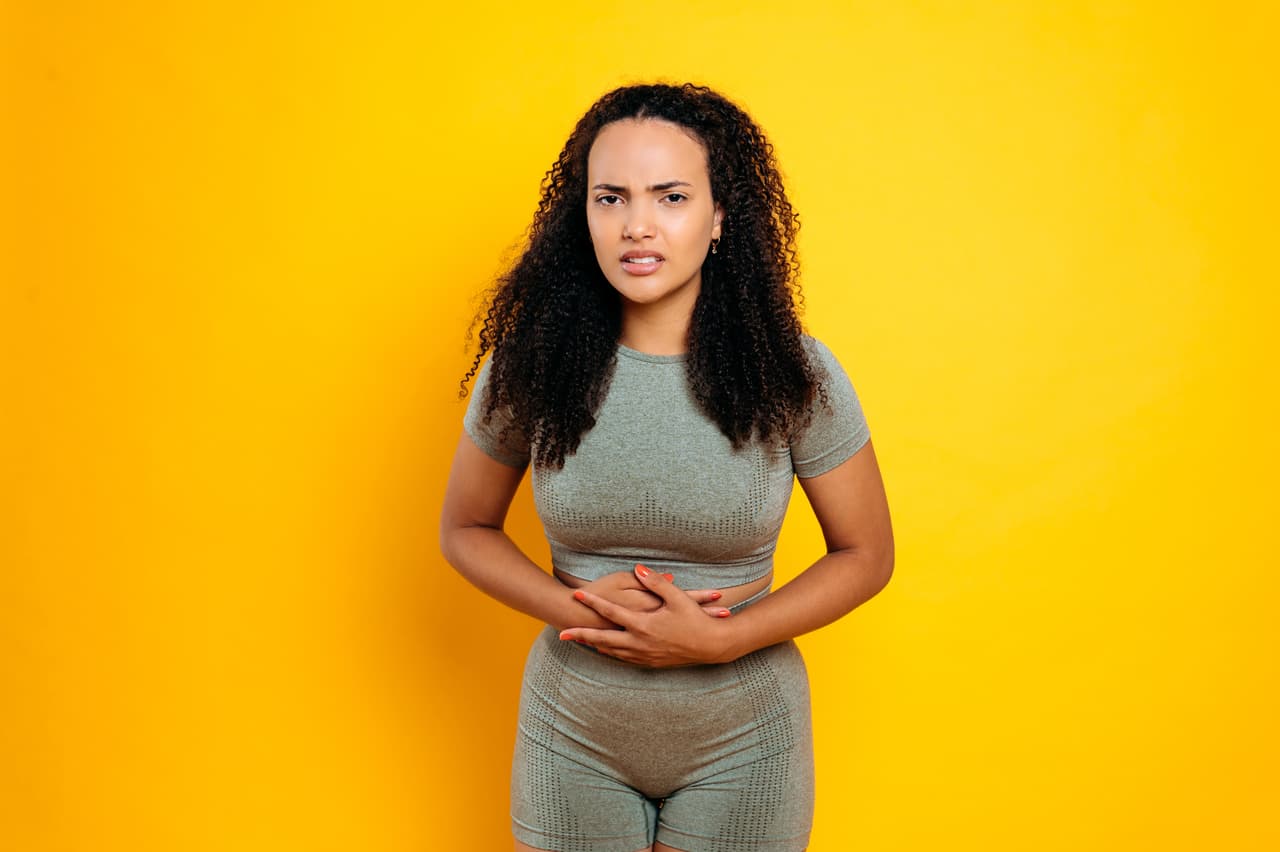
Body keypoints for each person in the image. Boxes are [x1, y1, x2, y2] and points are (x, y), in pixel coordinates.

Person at [439, 82, 894, 852]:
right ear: (580, 216)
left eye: (671, 197)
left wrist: (727, 639)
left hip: (745, 736)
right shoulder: (530, 367)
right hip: (572, 729)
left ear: (720, 218)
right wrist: (577, 610)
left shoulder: (793, 373)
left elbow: (868, 555)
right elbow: (465, 528)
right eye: (610, 198)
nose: (637, 226)